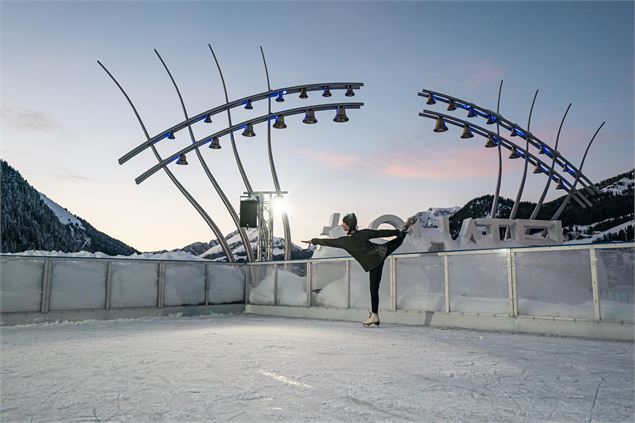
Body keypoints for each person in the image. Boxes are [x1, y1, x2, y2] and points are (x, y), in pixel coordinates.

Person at [302, 213, 418, 327]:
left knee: (374, 289)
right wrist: (398, 231)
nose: (342, 226)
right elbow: (381, 233)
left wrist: (313, 240)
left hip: (374, 263)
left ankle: (374, 315)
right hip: (382, 251)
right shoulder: (363, 233)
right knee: (398, 241)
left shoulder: (344, 241)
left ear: (349, 225)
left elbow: (328, 242)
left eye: (344, 223)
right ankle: (405, 229)